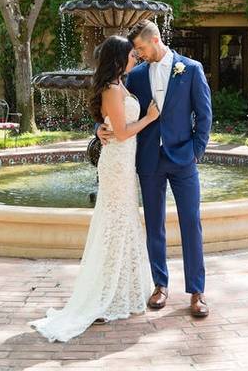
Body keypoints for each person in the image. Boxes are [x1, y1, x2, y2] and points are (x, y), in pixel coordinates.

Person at [30, 35, 159, 342]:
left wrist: (102, 126)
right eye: (130, 54)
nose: (135, 58)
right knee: (114, 221)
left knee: (124, 220)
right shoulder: (113, 89)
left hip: (124, 162)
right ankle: (105, 292)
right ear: (118, 58)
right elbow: (125, 133)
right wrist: (150, 118)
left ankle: (122, 289)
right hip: (117, 161)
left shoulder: (121, 84)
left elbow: (111, 124)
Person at [98, 19, 212, 319]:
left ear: (156, 39)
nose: (138, 54)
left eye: (140, 48)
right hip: (149, 161)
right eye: (134, 50)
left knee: (191, 222)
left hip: (183, 160)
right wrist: (100, 127)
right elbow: (111, 106)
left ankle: (197, 291)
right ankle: (160, 285)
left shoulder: (191, 69)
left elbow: (204, 116)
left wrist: (195, 153)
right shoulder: (134, 76)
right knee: (154, 225)